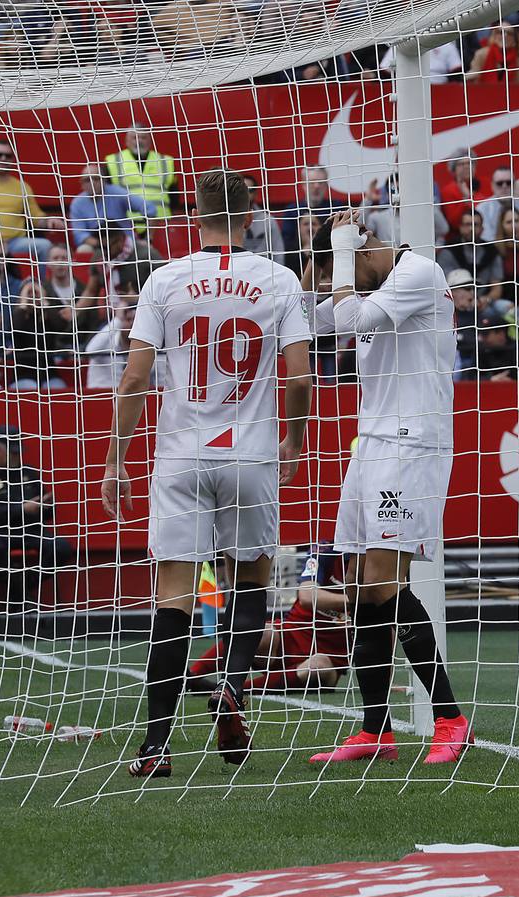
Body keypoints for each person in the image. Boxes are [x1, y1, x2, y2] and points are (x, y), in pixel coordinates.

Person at [100, 170, 313, 778]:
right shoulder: (279, 279)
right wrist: (293, 439)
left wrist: (116, 458)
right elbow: (299, 378)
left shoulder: (165, 279)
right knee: (251, 584)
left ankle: (156, 745)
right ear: (251, 216)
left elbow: (136, 378)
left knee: (173, 602)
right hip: (249, 453)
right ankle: (234, 681)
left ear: (194, 213)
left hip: (180, 455)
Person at [303, 209, 472, 765]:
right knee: (356, 584)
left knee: (384, 581)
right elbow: (312, 319)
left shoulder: (418, 272)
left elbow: (349, 319)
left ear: (370, 248)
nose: (340, 277)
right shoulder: (375, 285)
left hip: (411, 444)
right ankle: (374, 730)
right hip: (371, 442)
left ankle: (449, 718)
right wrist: (319, 255)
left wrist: (345, 260)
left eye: (349, 263)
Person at [187, 545, 350, 693]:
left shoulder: (373, 572)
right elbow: (307, 596)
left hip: (328, 661)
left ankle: (231, 690)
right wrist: (357, 600)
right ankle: (190, 677)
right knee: (260, 633)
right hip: (288, 639)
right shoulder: (325, 550)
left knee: (318, 666)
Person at [0, 425, 73, 578]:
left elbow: (49, 513)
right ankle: (17, 592)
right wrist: (22, 509)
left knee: (60, 547)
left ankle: (25, 585)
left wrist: (45, 505)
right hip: (1, 533)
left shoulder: (28, 472)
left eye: (18, 452)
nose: (17, 457)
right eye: (13, 453)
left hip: (30, 531)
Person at [0, 141, 65, 260]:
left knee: (44, 246)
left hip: (14, 242)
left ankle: (39, 280)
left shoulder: (22, 187)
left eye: (8, 156)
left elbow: (36, 217)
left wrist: (49, 221)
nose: (3, 158)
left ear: (13, 160)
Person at [67, 163, 157, 252]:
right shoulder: (77, 204)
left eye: (96, 178)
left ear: (104, 180)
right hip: (98, 246)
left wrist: (148, 239)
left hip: (125, 242)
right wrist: (103, 244)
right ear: (82, 184)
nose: (92, 183)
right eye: (87, 180)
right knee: (83, 250)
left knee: (147, 250)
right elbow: (80, 235)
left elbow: (149, 208)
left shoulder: (116, 192)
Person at [103, 124, 177, 231]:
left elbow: (174, 196)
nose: (139, 141)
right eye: (134, 137)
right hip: (126, 226)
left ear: (150, 141)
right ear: (127, 141)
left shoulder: (166, 161)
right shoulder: (112, 161)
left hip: (160, 224)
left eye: (143, 137)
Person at [478, 166, 519, 241]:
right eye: (499, 183)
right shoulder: (482, 209)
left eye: (509, 183)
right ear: (492, 185)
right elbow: (486, 238)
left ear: (514, 185)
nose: (504, 186)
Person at [241, 173, 284, 258]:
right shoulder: (229, 219)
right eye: (243, 190)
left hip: (263, 269)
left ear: (256, 193)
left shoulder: (268, 220)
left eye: (250, 190)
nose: (246, 194)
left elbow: (278, 252)